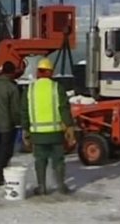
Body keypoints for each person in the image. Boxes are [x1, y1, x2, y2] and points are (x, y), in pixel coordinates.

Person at [21, 58, 76, 195]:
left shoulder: (30, 89)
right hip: (56, 133)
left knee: (40, 160)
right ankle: (61, 186)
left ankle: (42, 187)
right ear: (51, 72)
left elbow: (24, 111)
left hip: (38, 134)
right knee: (58, 160)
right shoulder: (56, 87)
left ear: (38, 72)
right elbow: (64, 108)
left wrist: (25, 130)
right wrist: (69, 128)